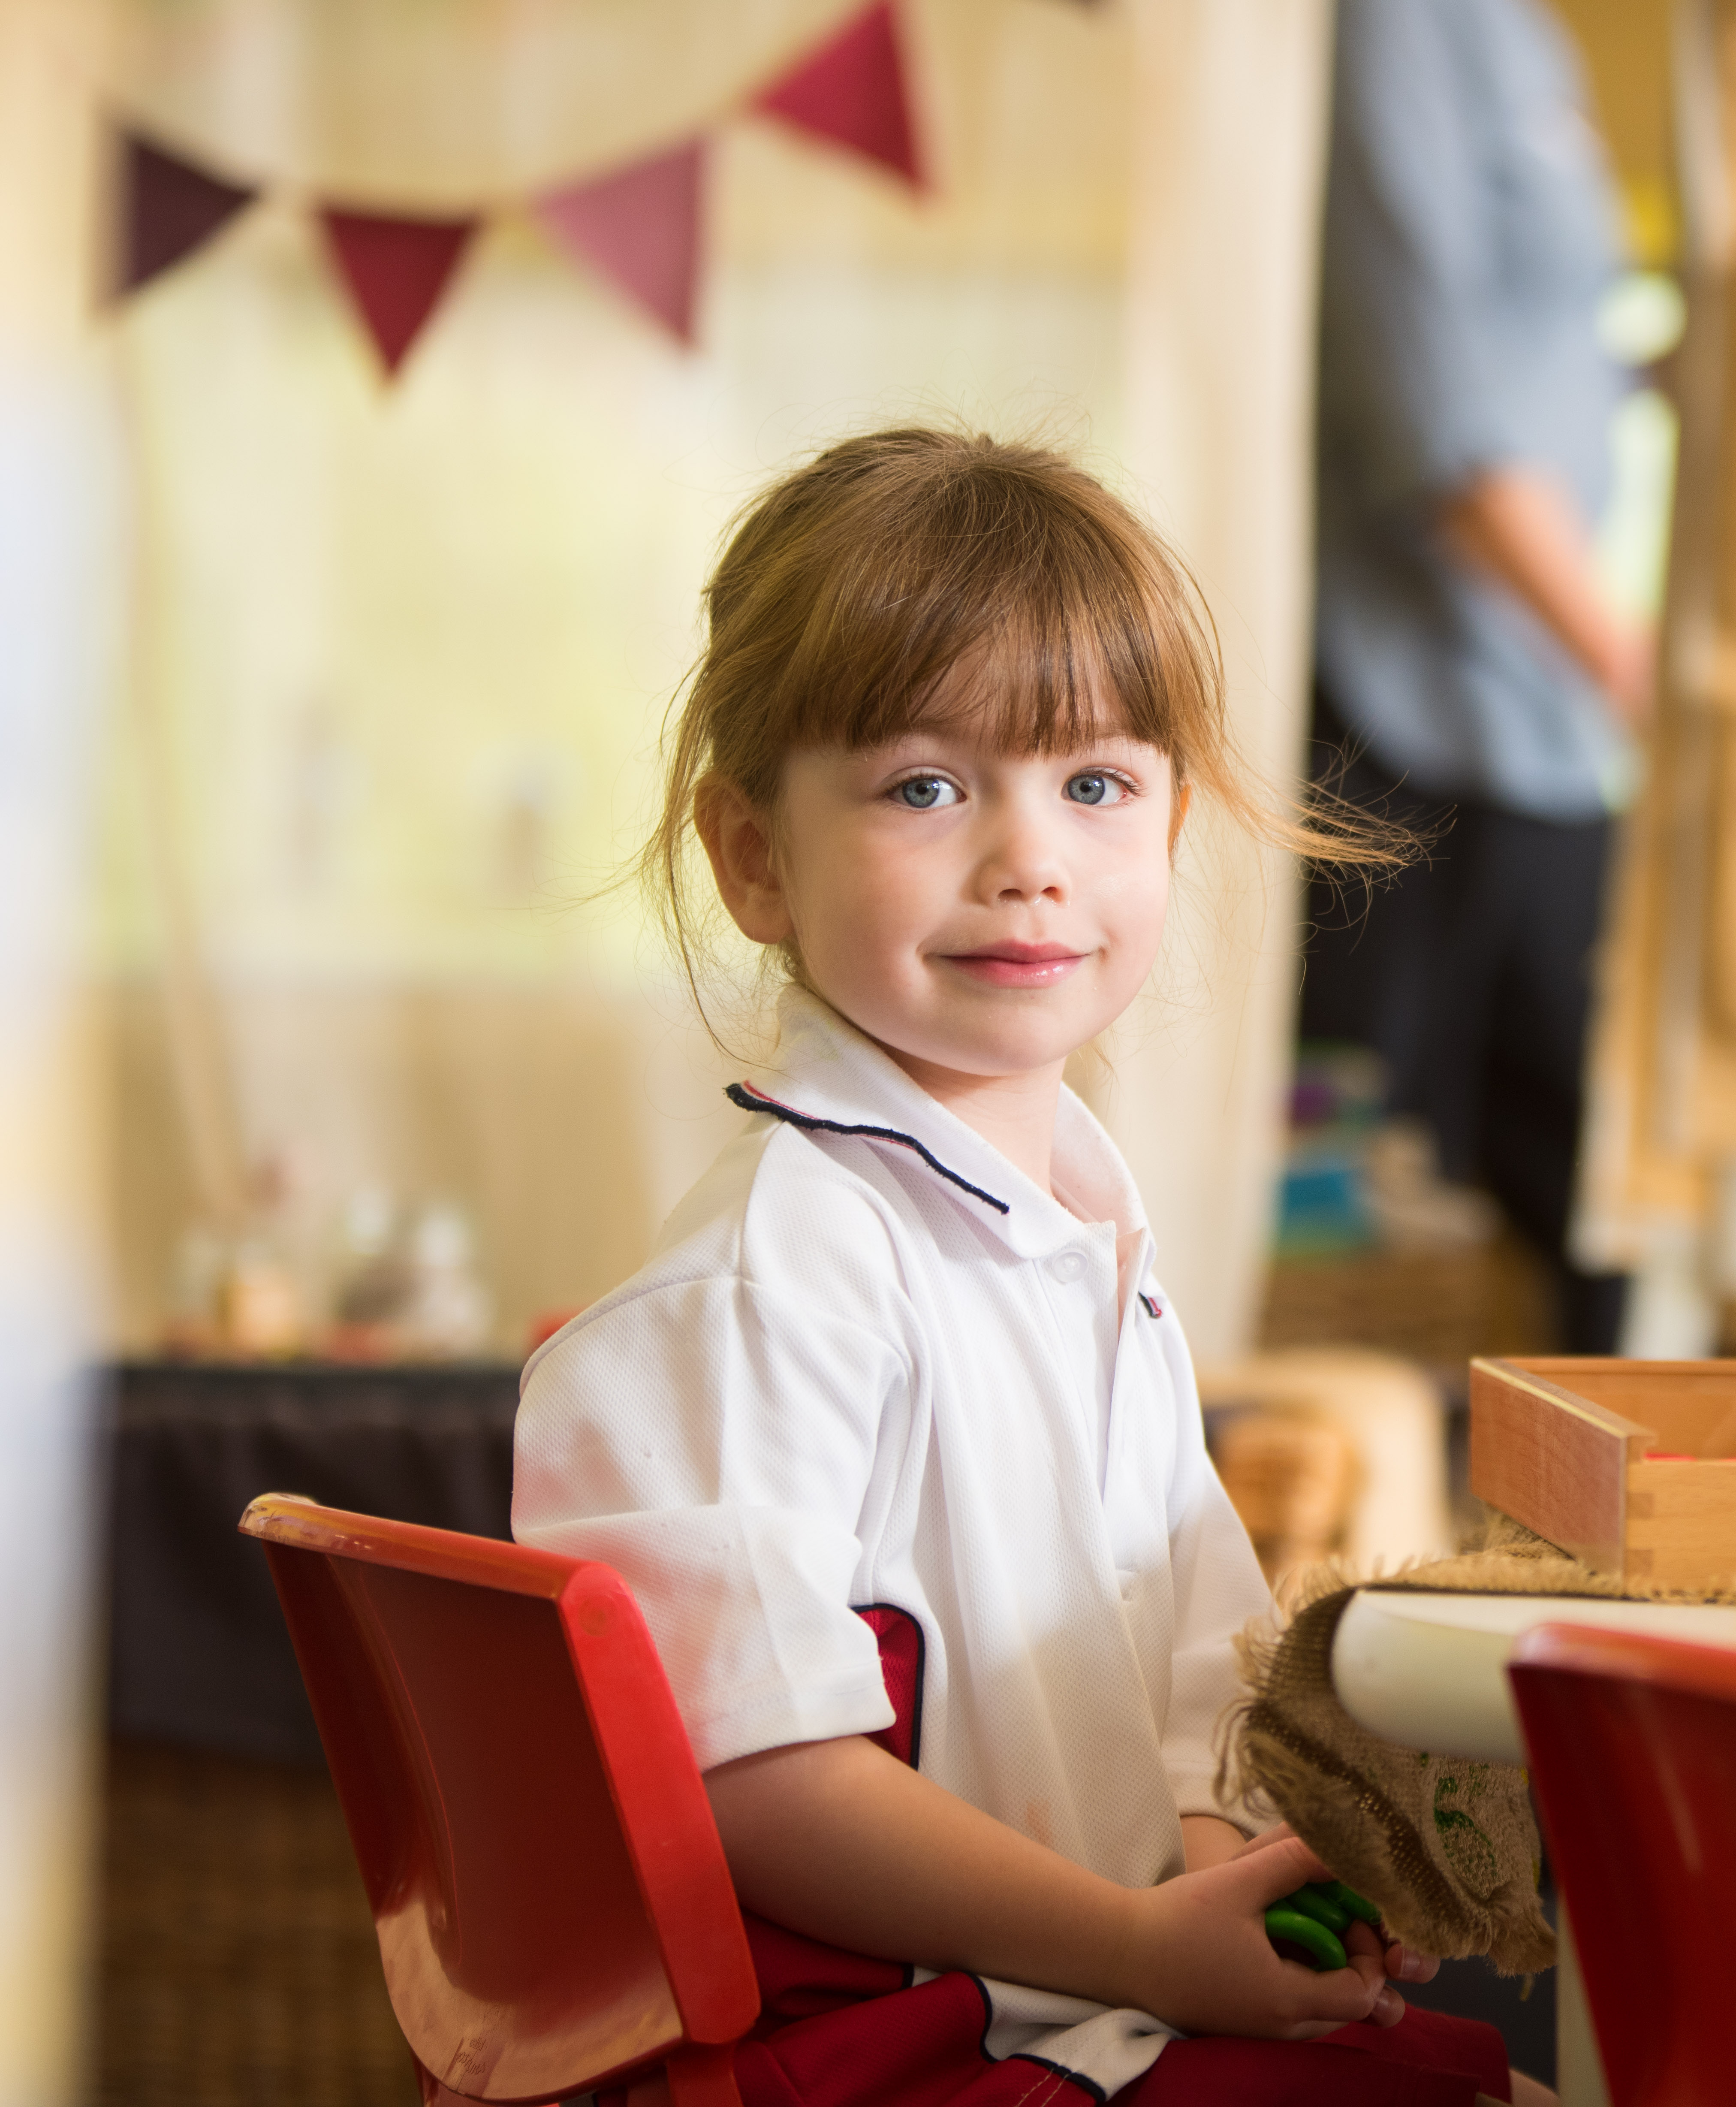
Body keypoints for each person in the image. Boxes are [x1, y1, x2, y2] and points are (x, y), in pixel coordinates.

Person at [513, 430, 1549, 2107]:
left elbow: (1192, 1693)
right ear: (756, 857)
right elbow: (742, 1778)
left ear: (1172, 828)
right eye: (926, 788)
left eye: (1096, 786)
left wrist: (1233, 1897)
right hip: (897, 2057)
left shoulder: (1079, 1231)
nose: (1029, 859)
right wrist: (1139, 1946)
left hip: (1085, 2010)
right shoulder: (773, 1279)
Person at [1305, 0, 1648, 1353]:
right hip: (1405, 723)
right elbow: (1434, 410)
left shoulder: (1527, 37)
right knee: (1375, 1230)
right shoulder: (1399, 21)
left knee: (1602, 1218)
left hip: (1539, 730)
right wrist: (1625, 660)